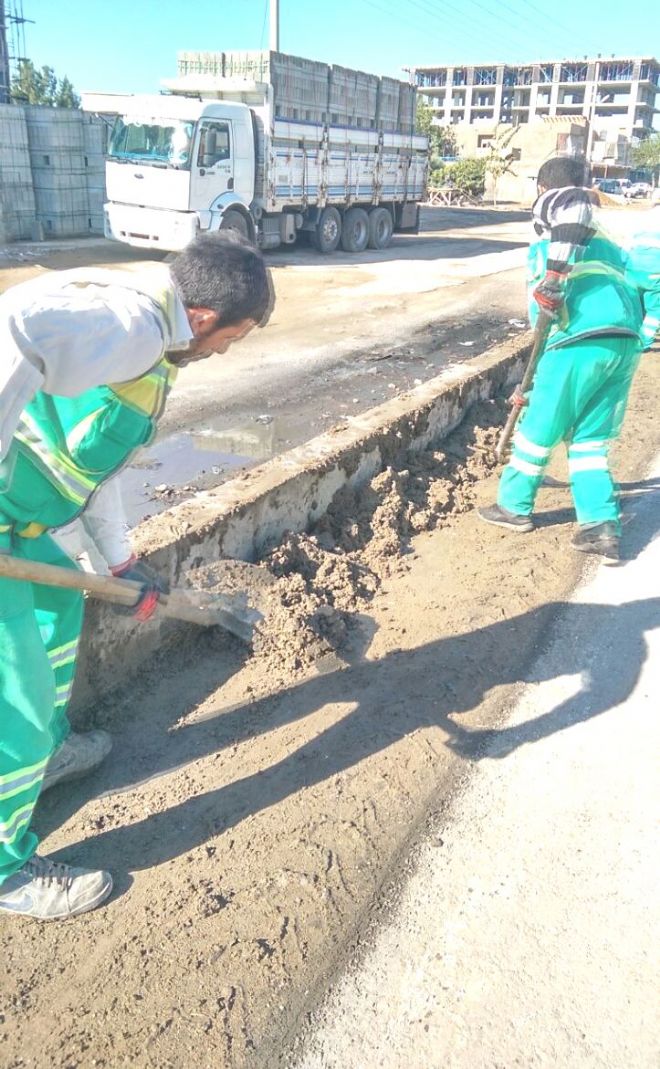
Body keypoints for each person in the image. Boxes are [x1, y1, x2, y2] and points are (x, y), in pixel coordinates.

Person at [0, 231, 273, 920]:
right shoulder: (134, 325)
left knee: (57, 633)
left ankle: (45, 761)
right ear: (206, 318)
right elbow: (13, 326)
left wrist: (117, 564)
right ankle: (5, 869)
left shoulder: (146, 337)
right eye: (231, 341)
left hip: (24, 525)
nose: (221, 355)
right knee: (18, 704)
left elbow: (90, 472)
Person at [479, 155, 645, 561]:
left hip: (578, 338)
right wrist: (530, 385)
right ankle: (600, 525)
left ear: (541, 189)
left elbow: (570, 202)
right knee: (589, 442)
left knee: (537, 432)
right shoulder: (610, 242)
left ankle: (513, 506)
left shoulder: (557, 219)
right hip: (623, 342)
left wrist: (553, 278)